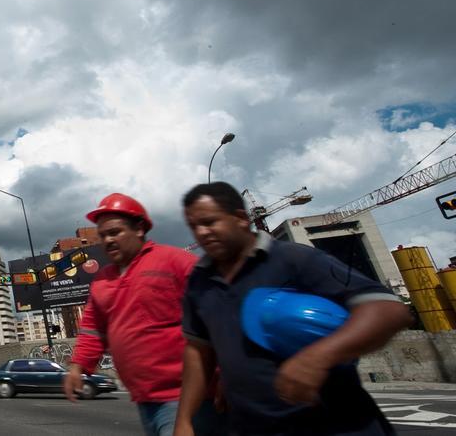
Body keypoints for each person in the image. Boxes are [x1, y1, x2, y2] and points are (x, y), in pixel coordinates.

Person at [175, 182, 413, 436]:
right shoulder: (199, 282)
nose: (202, 233)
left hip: (335, 424)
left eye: (210, 222)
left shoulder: (293, 259)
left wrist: (319, 357)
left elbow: (388, 308)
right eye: (194, 227)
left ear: (241, 218)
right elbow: (199, 351)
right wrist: (184, 420)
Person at [63, 193, 218, 436]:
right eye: (103, 236)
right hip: (145, 399)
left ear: (139, 228)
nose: (108, 240)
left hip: (188, 396)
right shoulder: (103, 279)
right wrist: (78, 366)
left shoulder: (175, 261)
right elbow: (93, 328)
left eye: (115, 232)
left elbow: (218, 318)